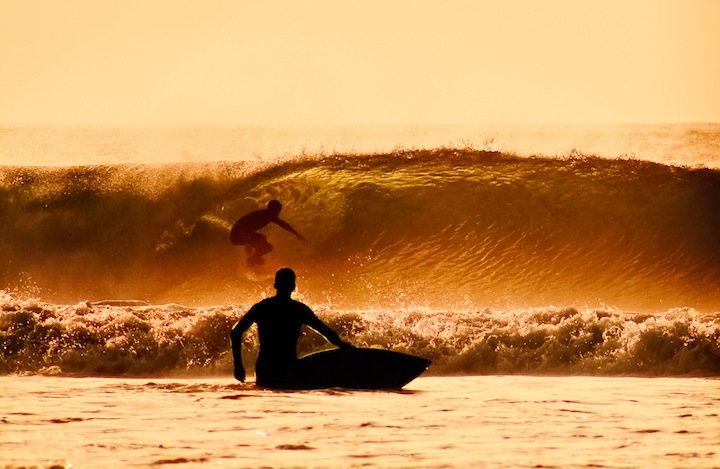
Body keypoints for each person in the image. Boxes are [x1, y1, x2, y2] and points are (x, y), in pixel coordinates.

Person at [230, 268, 353, 388]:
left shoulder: (262, 307)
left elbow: (236, 332)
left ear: (275, 285)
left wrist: (238, 365)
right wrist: (342, 345)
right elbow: (325, 331)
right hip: (288, 368)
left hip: (265, 370)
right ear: (293, 287)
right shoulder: (299, 309)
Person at [229, 200, 305, 266]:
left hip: (240, 235)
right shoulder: (262, 215)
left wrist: (295, 233)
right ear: (273, 209)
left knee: (268, 247)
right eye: (278, 211)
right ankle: (253, 259)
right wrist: (248, 244)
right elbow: (245, 226)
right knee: (262, 239)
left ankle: (253, 260)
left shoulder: (268, 215)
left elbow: (282, 224)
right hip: (237, 236)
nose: (278, 213)